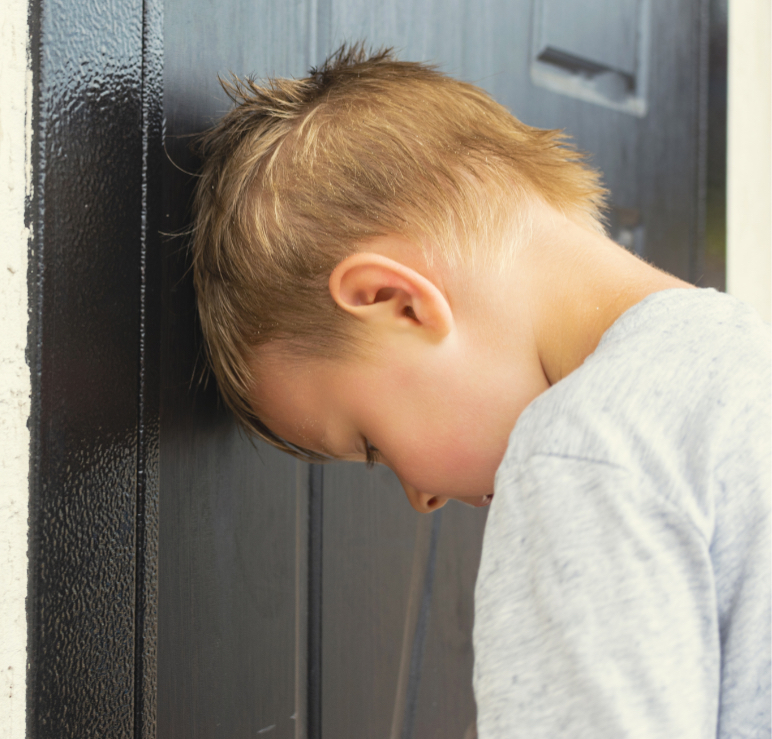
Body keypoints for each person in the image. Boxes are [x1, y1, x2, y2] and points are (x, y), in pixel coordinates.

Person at [190, 45, 770, 737]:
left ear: (395, 301)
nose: (421, 495)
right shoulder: (742, 360)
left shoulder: (582, 453)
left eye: (371, 444)